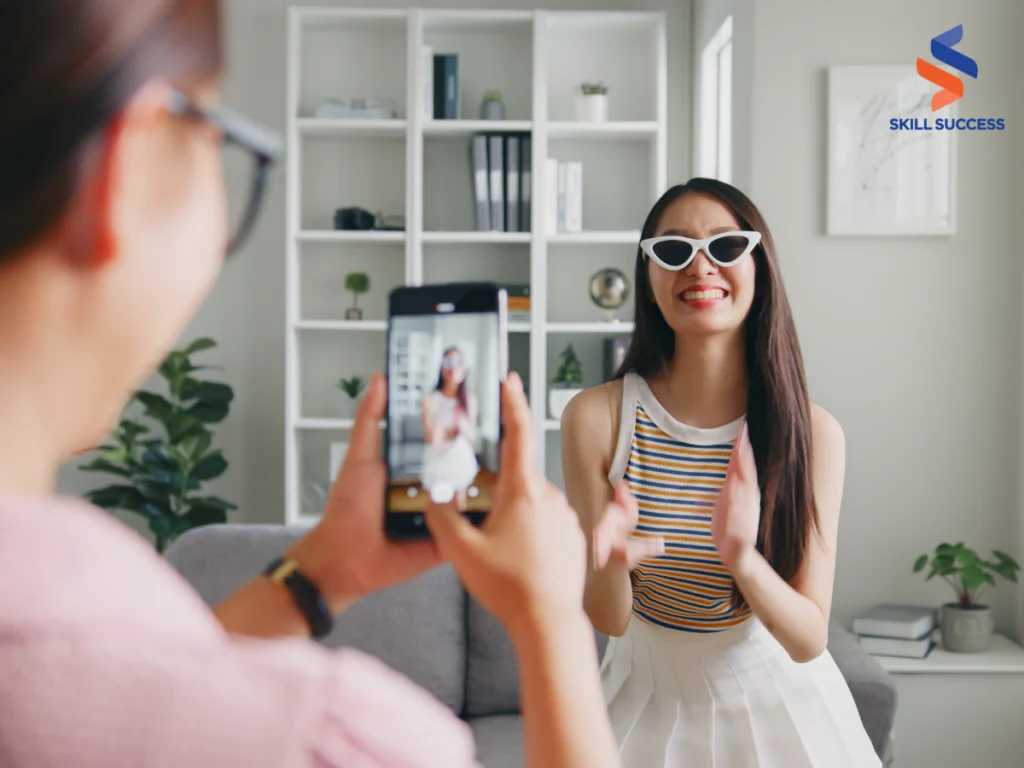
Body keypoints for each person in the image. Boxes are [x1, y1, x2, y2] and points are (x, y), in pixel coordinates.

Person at [0, 2, 621, 767]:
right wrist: (552, 620)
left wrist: (324, 571)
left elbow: (156, 689)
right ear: (125, 170)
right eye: (223, 141)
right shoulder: (329, 736)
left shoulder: (83, 642)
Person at [562, 178, 880, 767]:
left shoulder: (813, 433)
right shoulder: (596, 418)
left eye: (726, 247)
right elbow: (609, 616)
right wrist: (611, 556)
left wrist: (742, 560)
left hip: (777, 703)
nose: (700, 267)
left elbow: (809, 639)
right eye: (674, 251)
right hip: (642, 695)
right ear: (650, 281)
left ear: (759, 270)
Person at [421, 346, 480, 505]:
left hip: (460, 457)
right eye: (449, 362)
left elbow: (472, 437)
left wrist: (461, 423)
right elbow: (430, 438)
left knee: (459, 506)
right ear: (441, 368)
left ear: (464, 369)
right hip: (438, 460)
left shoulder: (470, 401)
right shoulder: (430, 400)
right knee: (436, 507)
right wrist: (443, 430)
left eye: (458, 363)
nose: (453, 368)